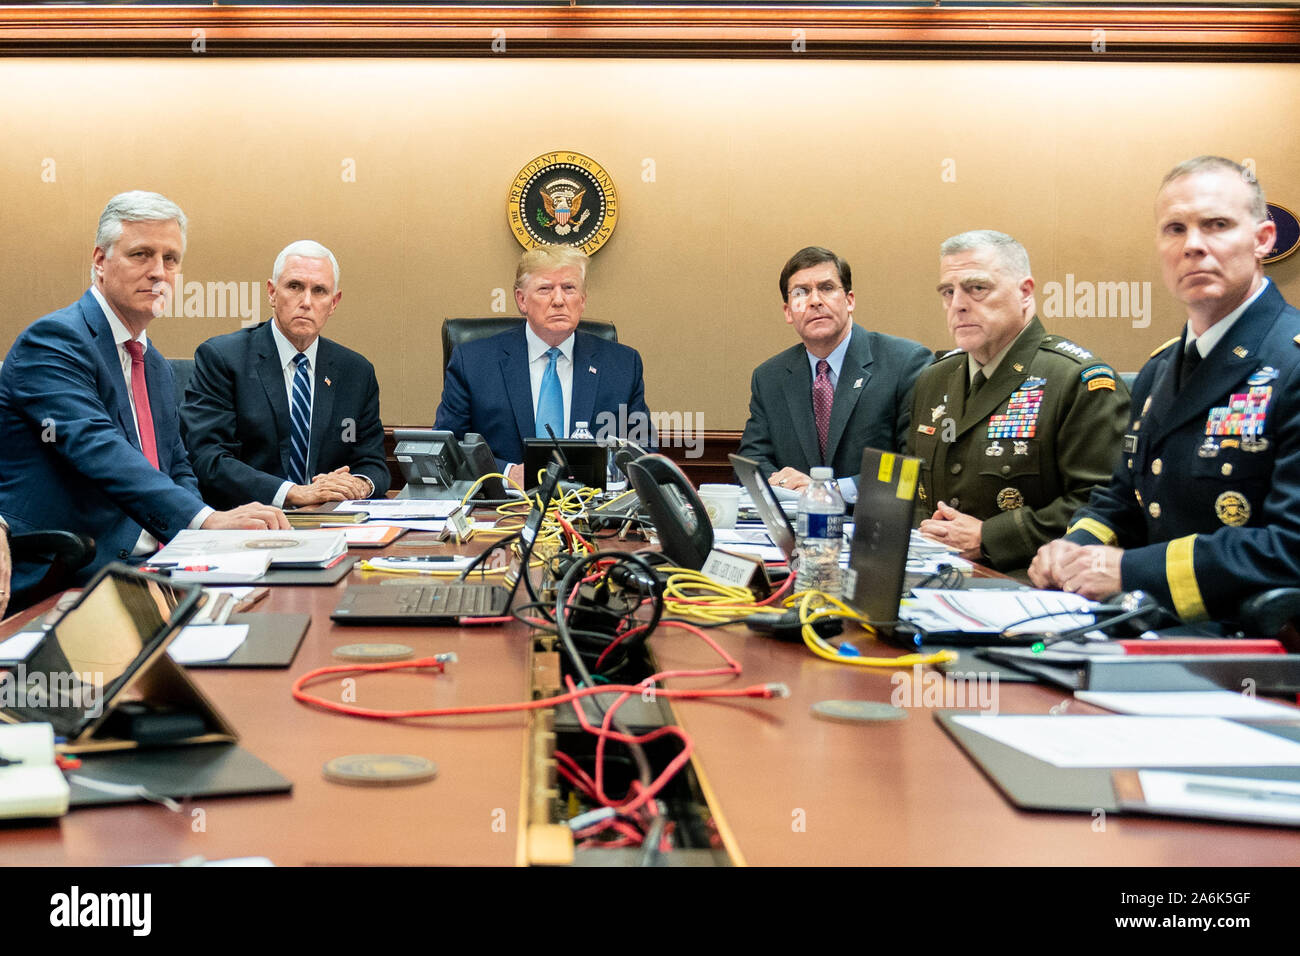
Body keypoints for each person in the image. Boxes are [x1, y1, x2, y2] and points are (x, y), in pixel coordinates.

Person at [1030, 157, 1300, 619]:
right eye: (1175, 229)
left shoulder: (1291, 360)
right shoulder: (1159, 369)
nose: (1193, 245)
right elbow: (1123, 500)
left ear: (1262, 239)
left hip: (1251, 649)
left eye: (1216, 225)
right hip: (1146, 625)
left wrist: (1132, 571)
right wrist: (1072, 549)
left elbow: (1290, 547)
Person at [0, 191, 287, 593]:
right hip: (70, 575)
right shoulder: (54, 342)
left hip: (157, 565)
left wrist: (197, 540)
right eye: (141, 255)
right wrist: (203, 519)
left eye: (170, 259)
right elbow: (100, 451)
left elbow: (177, 464)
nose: (159, 272)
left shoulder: (154, 364)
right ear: (100, 261)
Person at [908, 231, 1130, 571]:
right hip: (931, 576)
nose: (958, 304)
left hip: (1028, 582)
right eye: (948, 292)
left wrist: (990, 537)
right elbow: (913, 485)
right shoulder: (934, 379)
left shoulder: (1076, 380)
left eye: (977, 288)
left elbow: (1104, 504)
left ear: (1025, 293)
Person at [181, 240, 390, 510]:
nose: (306, 302)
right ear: (272, 292)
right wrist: (292, 492)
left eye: (319, 291)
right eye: (294, 287)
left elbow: (372, 460)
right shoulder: (223, 358)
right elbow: (208, 458)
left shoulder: (356, 372)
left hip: (329, 522)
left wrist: (359, 484)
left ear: (334, 303)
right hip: (247, 520)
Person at [434, 245, 652, 488]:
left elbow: (642, 452)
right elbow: (447, 450)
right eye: (545, 289)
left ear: (583, 299)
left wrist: (602, 471)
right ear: (521, 299)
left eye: (569, 288)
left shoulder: (622, 365)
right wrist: (507, 473)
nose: (558, 300)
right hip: (500, 512)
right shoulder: (473, 363)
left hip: (591, 514)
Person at [736, 246, 932, 501]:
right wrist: (789, 490)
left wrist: (828, 491)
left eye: (827, 288)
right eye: (801, 292)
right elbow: (753, 459)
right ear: (788, 312)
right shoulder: (770, 377)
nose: (815, 300)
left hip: (872, 525)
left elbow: (915, 465)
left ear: (849, 300)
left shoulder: (904, 363)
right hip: (796, 524)